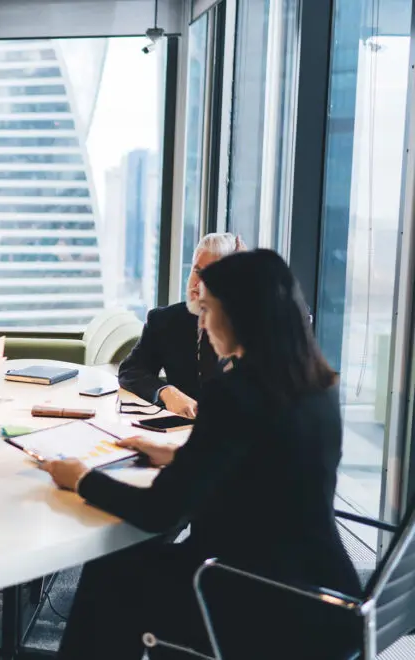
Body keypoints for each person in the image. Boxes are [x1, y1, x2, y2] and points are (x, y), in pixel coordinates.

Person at [43, 249, 362, 659]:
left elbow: (159, 510)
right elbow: (269, 467)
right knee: (129, 569)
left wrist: (81, 478)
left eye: (209, 309)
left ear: (240, 314)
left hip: (257, 596)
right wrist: (178, 457)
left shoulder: (236, 393)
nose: (203, 320)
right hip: (329, 593)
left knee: (112, 572)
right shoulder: (318, 385)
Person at [118, 233, 245, 417]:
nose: (197, 284)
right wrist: (167, 392)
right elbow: (131, 370)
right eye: (197, 271)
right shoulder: (165, 321)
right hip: (182, 432)